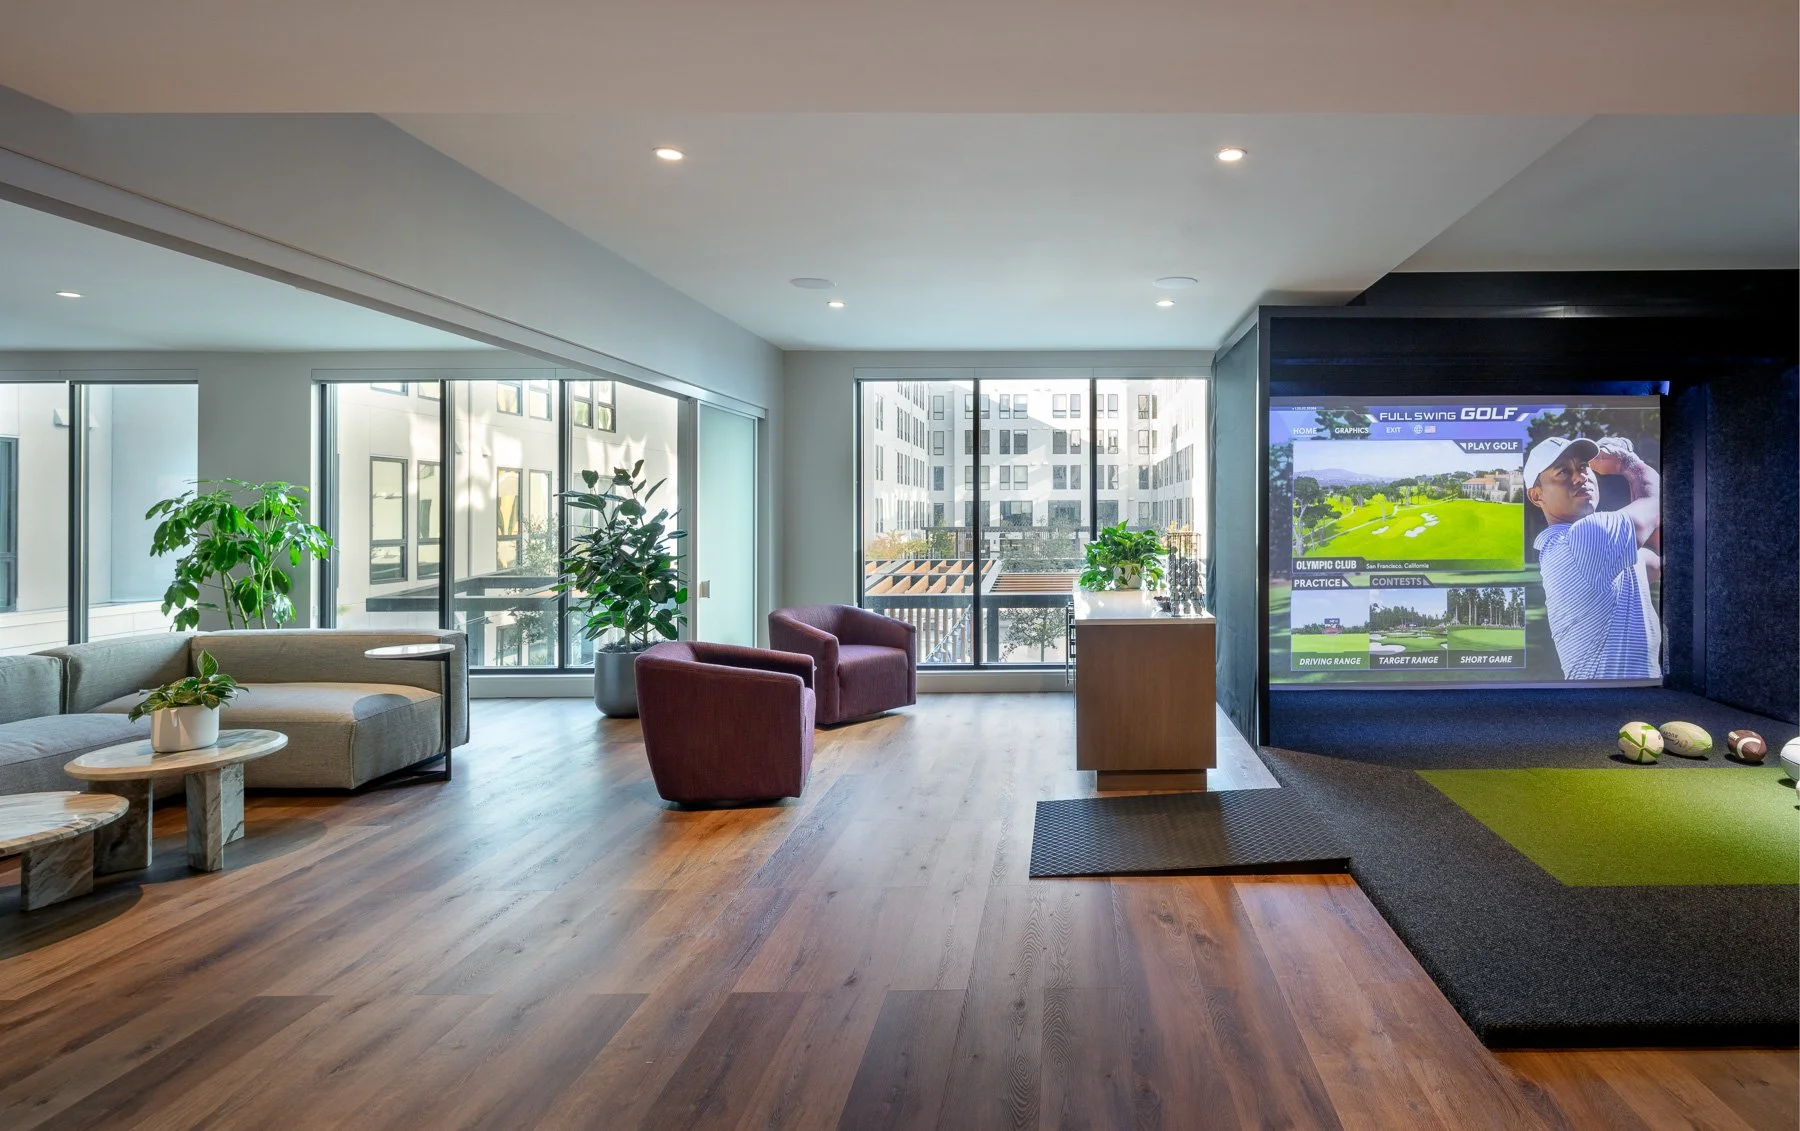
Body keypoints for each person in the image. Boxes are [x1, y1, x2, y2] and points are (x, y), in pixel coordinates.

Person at [1524, 433, 1661, 680]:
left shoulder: (1597, 547)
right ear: (1536, 496)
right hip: (1611, 707)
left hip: (1623, 702)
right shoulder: (1583, 538)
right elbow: (1654, 501)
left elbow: (1656, 559)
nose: (1581, 476)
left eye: (1583, 466)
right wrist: (1626, 462)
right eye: (1563, 472)